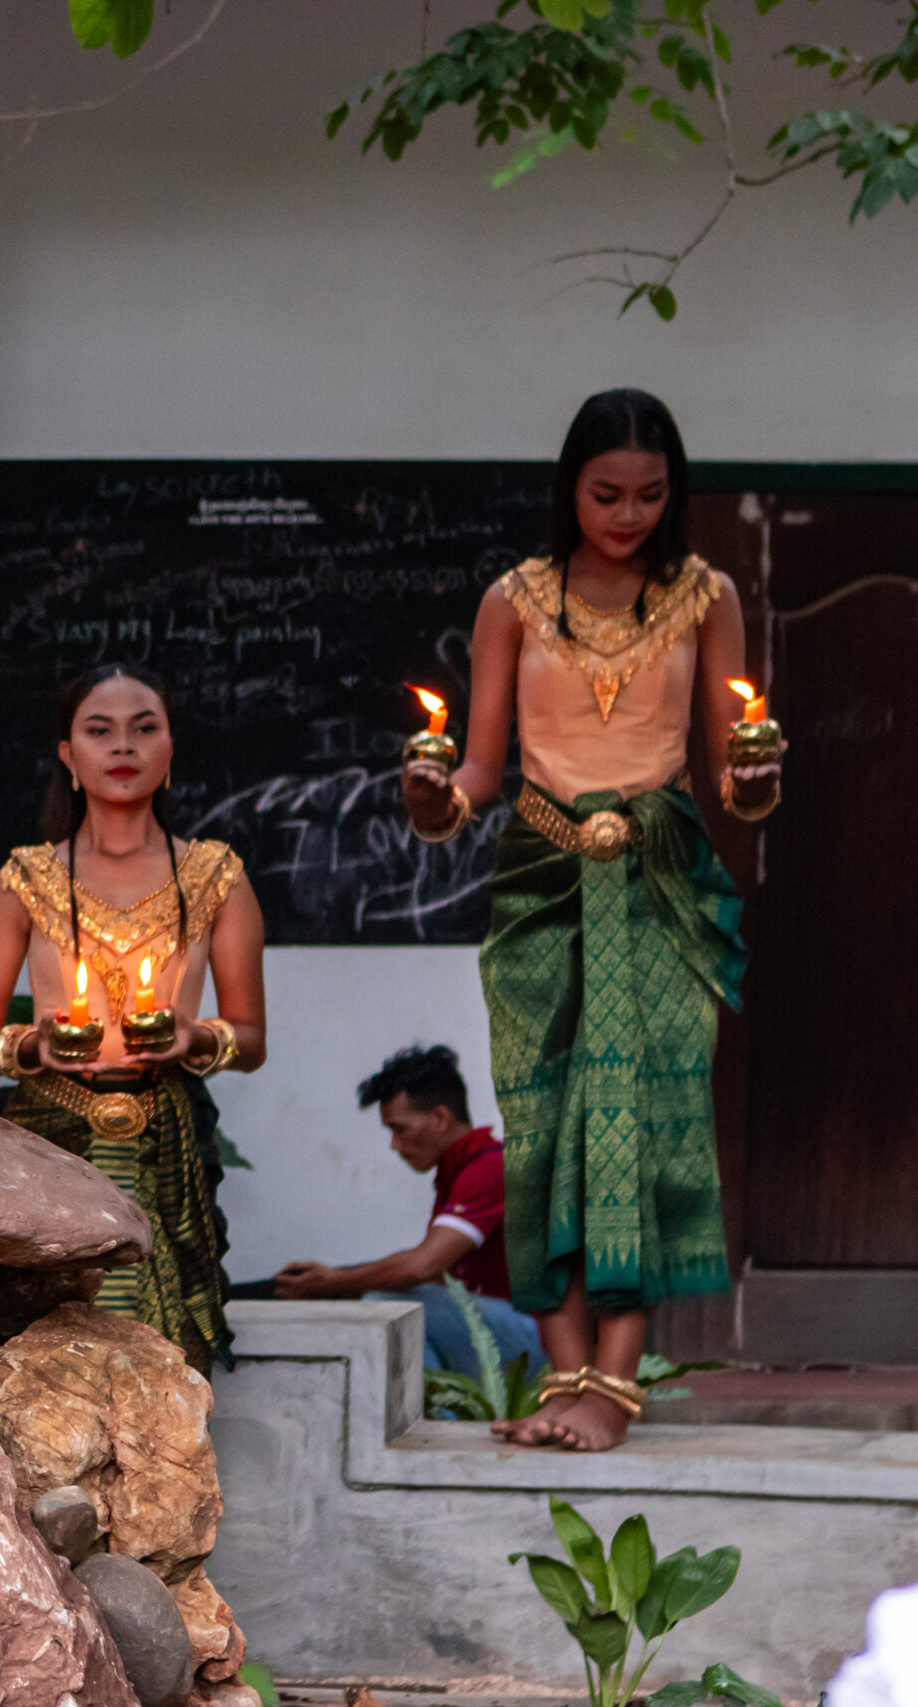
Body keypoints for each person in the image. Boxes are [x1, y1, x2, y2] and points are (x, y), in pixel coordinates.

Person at [404, 388, 777, 1451]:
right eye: (606, 493)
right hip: (540, 872)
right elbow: (477, 765)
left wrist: (756, 779)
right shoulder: (512, 600)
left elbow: (728, 776)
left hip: (658, 870)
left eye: (650, 496)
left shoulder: (703, 596)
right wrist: (438, 802)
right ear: (568, 487)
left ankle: (613, 1386)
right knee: (545, 1126)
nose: (627, 514)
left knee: (645, 1121)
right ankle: (559, 1369)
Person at [0, 663, 267, 1372]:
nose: (122, 746)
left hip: (167, 1134)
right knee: (42, 1343)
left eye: (143, 728)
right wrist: (35, 1043)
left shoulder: (215, 876)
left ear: (170, 748)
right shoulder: (25, 879)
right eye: (99, 731)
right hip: (52, 1131)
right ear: (69, 755)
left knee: (164, 1348)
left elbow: (250, 1038)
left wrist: (195, 1037)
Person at [272, 1044, 546, 1382]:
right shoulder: (458, 1170)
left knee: (390, 1304)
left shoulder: (489, 1167)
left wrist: (334, 1281)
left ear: (441, 1118)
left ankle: (438, 1424)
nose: (394, 1146)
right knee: (398, 1297)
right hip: (507, 1331)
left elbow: (422, 1266)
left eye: (399, 1129)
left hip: (542, 1339)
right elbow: (435, 1275)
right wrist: (331, 1281)